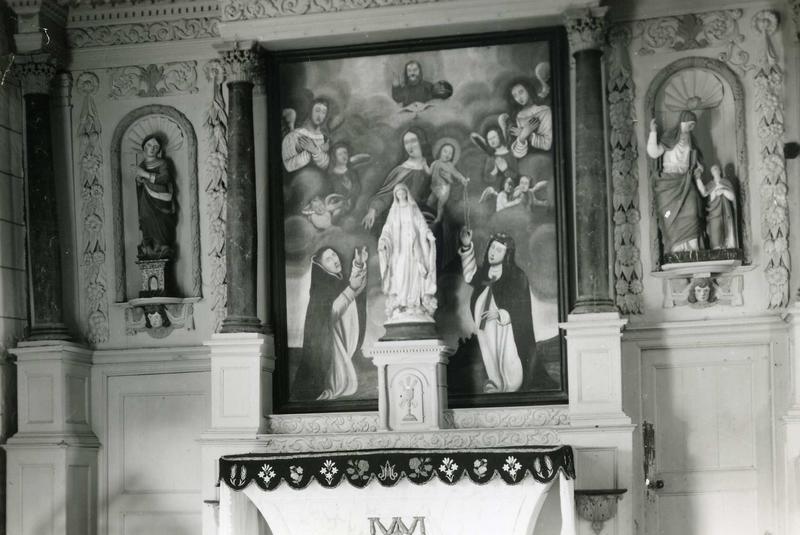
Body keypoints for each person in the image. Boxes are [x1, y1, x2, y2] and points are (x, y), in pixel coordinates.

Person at [458, 229, 551, 392]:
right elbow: (470, 275)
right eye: (492, 248)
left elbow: (520, 308)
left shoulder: (517, 276)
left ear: (507, 254)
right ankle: (495, 382)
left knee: (507, 357)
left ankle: (511, 384)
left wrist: (500, 314)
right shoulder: (485, 273)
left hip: (506, 330)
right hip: (486, 329)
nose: (493, 253)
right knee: (490, 356)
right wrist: (466, 246)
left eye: (499, 250)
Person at [291, 246, 368, 401]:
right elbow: (330, 314)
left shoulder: (333, 279)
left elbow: (355, 286)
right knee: (339, 381)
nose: (335, 260)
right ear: (321, 265)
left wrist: (359, 265)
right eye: (328, 259)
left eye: (334, 254)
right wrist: (351, 288)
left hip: (332, 338)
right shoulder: (321, 286)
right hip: (325, 343)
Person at [378, 183, 437, 322]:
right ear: (395, 195)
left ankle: (413, 302)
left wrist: (428, 234)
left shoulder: (412, 208)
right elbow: (388, 228)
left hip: (413, 244)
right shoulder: (394, 211)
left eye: (402, 192)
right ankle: (401, 302)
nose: (400, 194)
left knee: (415, 272)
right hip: (399, 247)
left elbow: (421, 224)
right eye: (397, 193)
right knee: (400, 272)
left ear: (406, 193)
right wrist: (383, 240)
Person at [647, 111, 704, 253]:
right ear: (683, 121)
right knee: (667, 215)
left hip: (685, 182)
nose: (692, 127)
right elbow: (654, 153)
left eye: (694, 125)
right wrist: (653, 132)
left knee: (692, 211)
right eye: (690, 123)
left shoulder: (692, 141)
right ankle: (676, 250)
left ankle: (693, 249)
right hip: (668, 184)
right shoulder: (669, 136)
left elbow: (696, 159)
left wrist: (699, 168)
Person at [362, 129, 432, 230]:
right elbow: (386, 195)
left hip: (428, 215)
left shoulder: (433, 164)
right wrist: (373, 210)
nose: (410, 146)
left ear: (421, 141)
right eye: (406, 143)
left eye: (413, 141)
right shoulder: (401, 171)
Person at [134, 134, 176, 259]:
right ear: (144, 147)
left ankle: (162, 245)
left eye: (155, 146)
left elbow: (165, 178)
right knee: (146, 218)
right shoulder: (141, 165)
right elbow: (140, 185)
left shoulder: (162, 163)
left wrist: (146, 175)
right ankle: (149, 246)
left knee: (160, 219)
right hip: (146, 199)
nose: (152, 148)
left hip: (161, 198)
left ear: (159, 150)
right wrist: (139, 181)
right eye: (149, 145)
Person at [282, 98, 331, 172]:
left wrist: (314, 150)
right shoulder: (294, 135)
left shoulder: (325, 139)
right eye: (317, 111)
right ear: (310, 111)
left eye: (324, 112)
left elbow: (327, 165)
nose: (320, 115)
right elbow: (288, 166)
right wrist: (310, 151)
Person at [427, 140, 470, 224]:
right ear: (440, 152)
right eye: (445, 151)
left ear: (452, 156)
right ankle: (428, 213)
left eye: (450, 153)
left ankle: (438, 218)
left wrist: (463, 179)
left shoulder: (450, 166)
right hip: (435, 187)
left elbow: (457, 174)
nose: (447, 154)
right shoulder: (435, 163)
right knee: (430, 201)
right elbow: (429, 172)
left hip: (444, 189)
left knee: (440, 205)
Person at [696, 164, 738, 250]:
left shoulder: (726, 183)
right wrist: (698, 178)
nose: (715, 171)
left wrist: (723, 191)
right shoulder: (710, 185)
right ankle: (716, 249)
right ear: (711, 173)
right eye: (713, 169)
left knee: (728, 230)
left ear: (720, 171)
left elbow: (732, 197)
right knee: (715, 233)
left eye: (716, 169)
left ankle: (728, 247)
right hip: (714, 213)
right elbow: (704, 193)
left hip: (725, 212)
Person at [508, 80, 553, 157]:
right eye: (515, 95)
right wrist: (523, 136)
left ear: (528, 90)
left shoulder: (545, 111)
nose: (519, 98)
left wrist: (526, 134)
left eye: (521, 92)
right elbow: (517, 153)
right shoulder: (519, 116)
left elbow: (547, 144)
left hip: (545, 157)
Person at [327, 142, 362, 214]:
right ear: (334, 157)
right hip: (337, 206)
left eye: (345, 153)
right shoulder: (331, 175)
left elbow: (357, 188)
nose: (344, 156)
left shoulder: (352, 172)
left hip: (353, 204)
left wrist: (351, 194)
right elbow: (333, 193)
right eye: (340, 154)